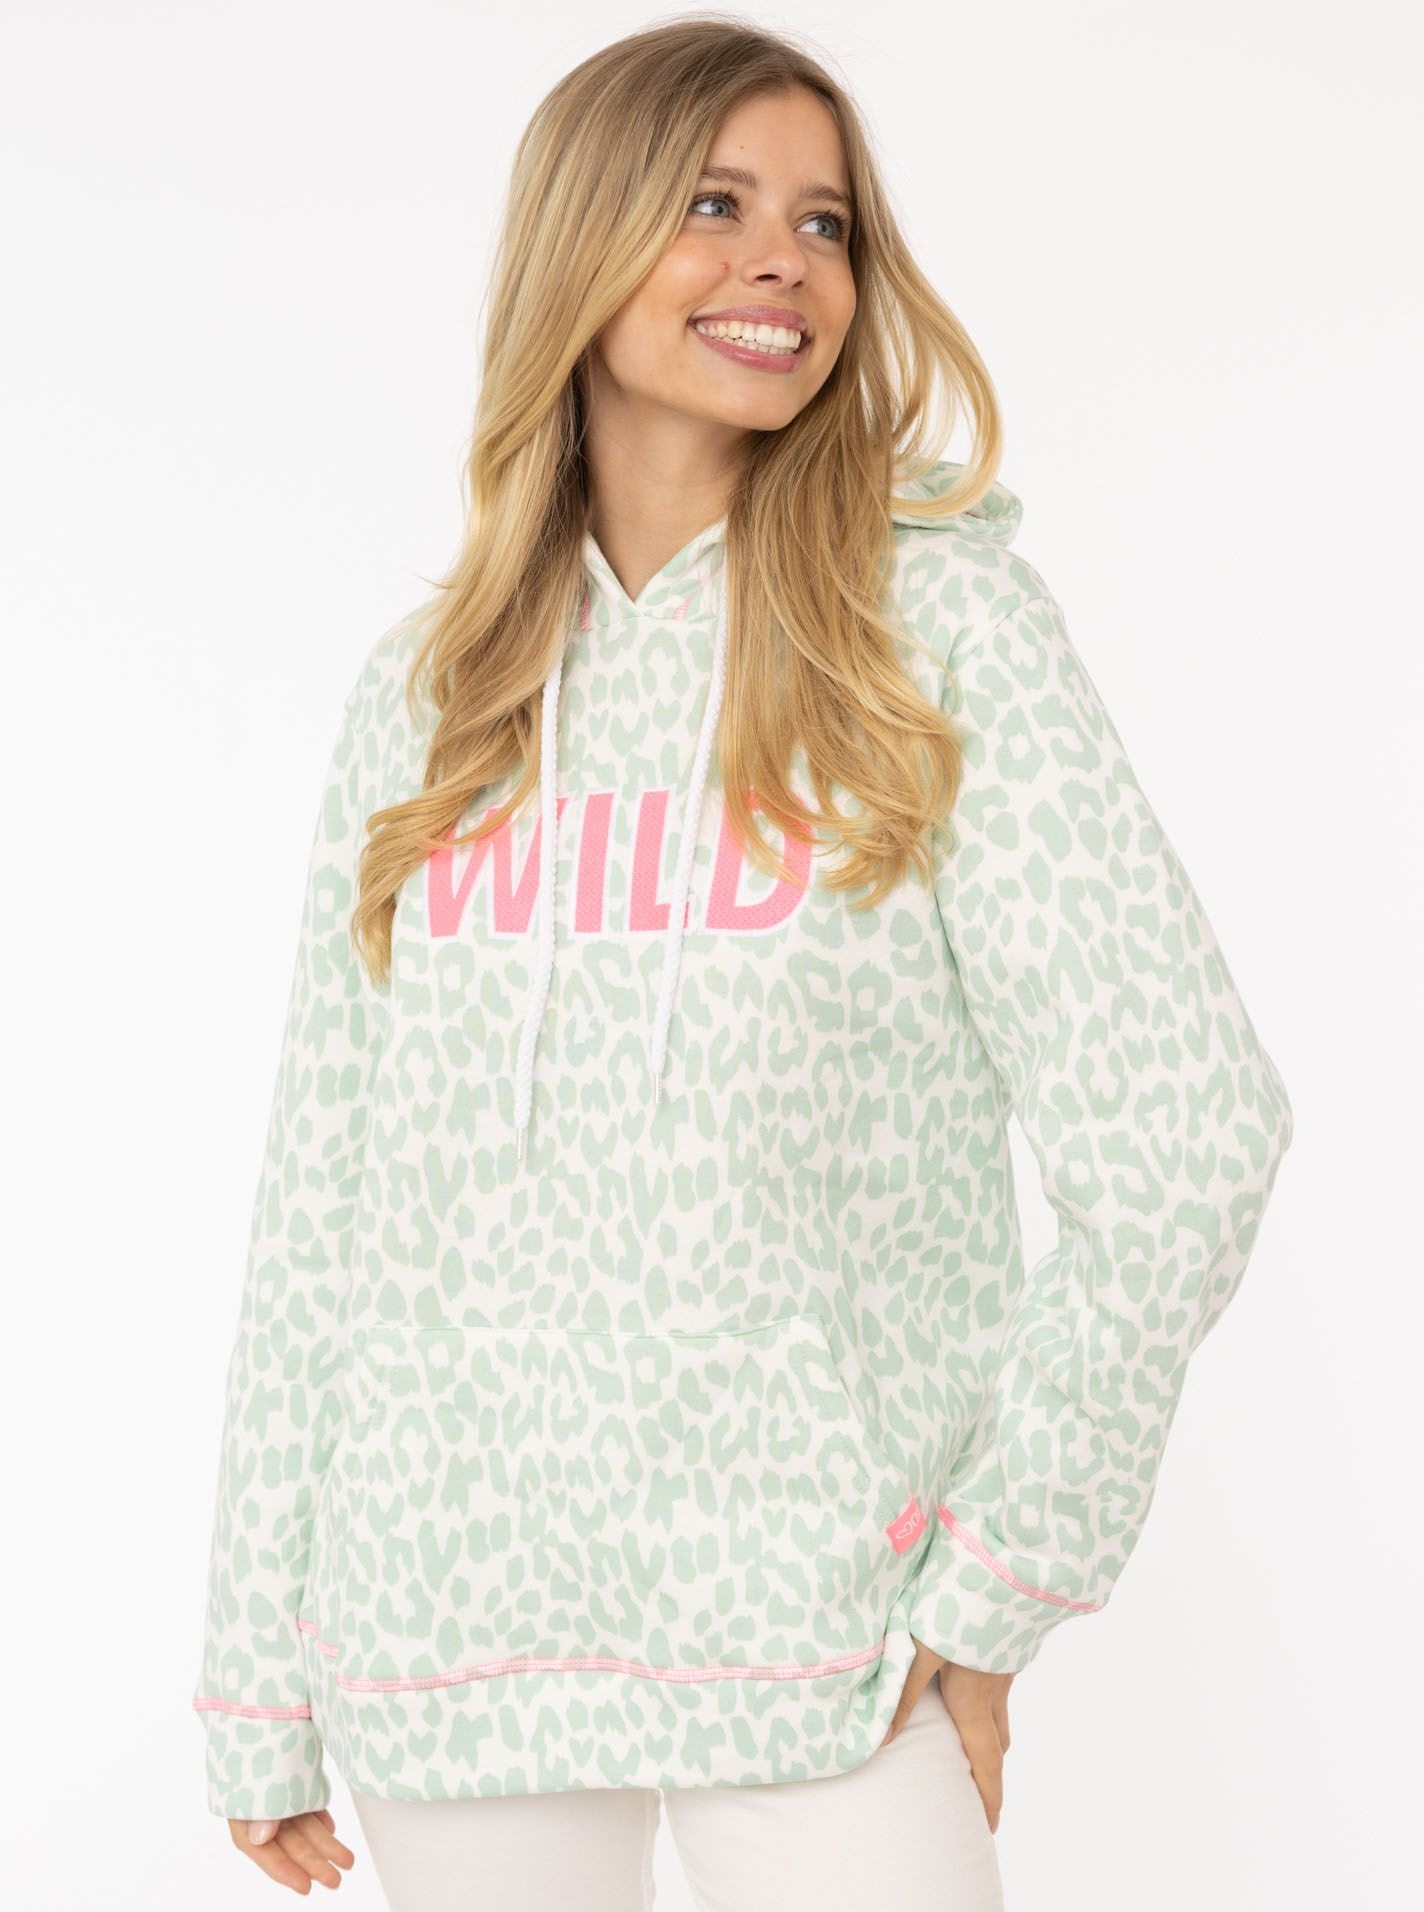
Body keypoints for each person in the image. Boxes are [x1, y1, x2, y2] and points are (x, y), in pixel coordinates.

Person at [189, 17, 1294, 1908]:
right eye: (715, 205)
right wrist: (252, 1674)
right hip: (451, 1638)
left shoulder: (931, 629)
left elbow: (1189, 1134)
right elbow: (324, 1209)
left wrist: (1000, 1580)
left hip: (823, 1634)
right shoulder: (433, 695)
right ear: (583, 239)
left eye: (825, 223)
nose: (784, 262)